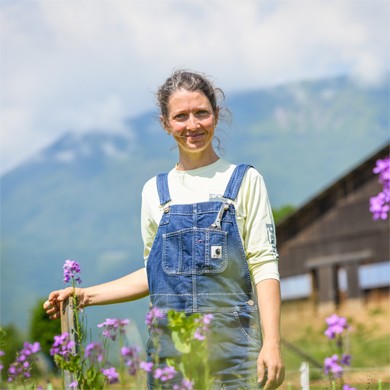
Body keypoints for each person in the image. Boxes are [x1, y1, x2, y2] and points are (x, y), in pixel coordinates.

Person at [44, 69, 285, 389]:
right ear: (165, 123)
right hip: (168, 352)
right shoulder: (155, 192)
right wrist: (85, 295)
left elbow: (263, 264)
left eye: (202, 113)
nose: (193, 125)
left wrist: (272, 343)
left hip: (233, 350)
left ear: (216, 114)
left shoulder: (244, 181)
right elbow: (154, 272)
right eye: (181, 116)